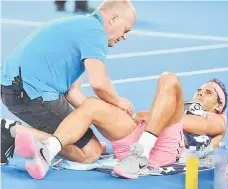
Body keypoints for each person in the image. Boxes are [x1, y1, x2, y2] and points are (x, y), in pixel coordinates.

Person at [3, 72, 227, 179]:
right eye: (200, 89)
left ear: (219, 106)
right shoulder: (178, 105)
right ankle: (45, 149)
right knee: (91, 106)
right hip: (136, 139)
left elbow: (192, 124)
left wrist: (150, 115)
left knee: (169, 78)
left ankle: (140, 154)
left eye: (208, 93)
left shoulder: (217, 120)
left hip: (167, 145)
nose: (199, 93)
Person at [0, 0, 136, 165]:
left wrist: (96, 117)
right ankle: (10, 131)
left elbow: (72, 92)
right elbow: (99, 83)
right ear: (114, 18)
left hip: (13, 88)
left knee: (81, 139)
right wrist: (118, 102)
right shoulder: (96, 32)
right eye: (125, 29)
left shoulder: (82, 26)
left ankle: (19, 134)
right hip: (31, 93)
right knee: (90, 152)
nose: (125, 36)